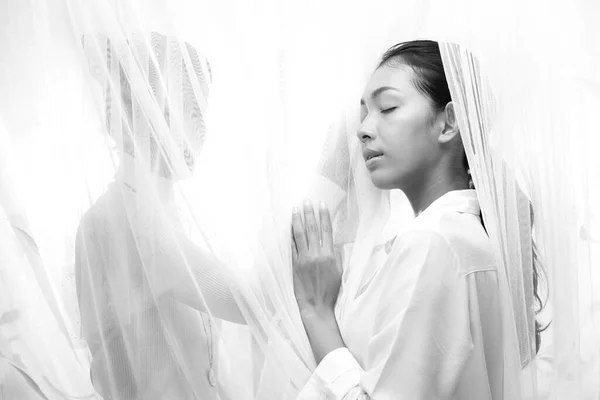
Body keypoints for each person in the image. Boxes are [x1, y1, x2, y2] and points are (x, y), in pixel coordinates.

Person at [291, 40, 543, 399]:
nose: (362, 129)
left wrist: (317, 312)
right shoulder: (462, 236)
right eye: (364, 113)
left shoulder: (433, 242)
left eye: (388, 107)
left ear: (449, 122)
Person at [75, 32, 240, 400]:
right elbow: (239, 299)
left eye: (201, 110)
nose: (200, 128)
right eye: (188, 107)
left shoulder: (173, 217)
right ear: (141, 112)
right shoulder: (118, 221)